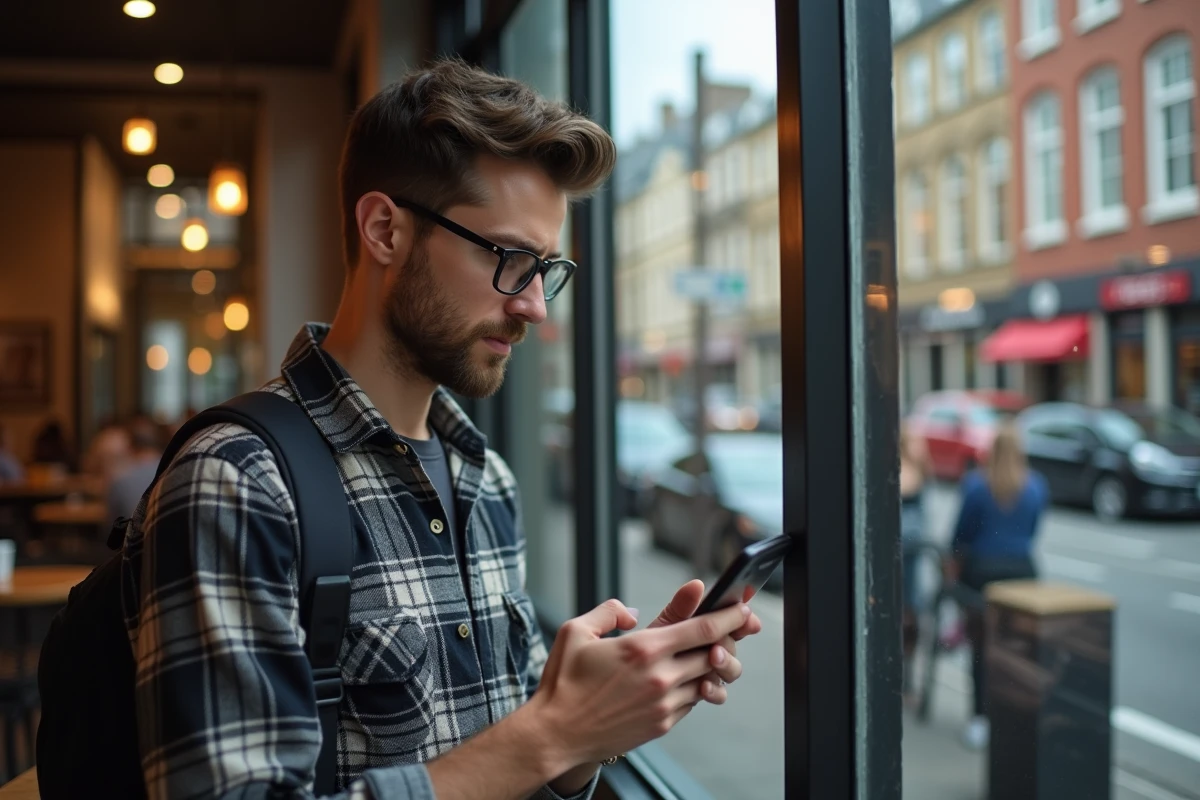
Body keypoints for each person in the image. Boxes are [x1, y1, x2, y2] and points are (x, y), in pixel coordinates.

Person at [121, 58, 764, 800]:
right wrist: (553, 730)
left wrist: (596, 728)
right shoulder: (238, 480)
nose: (535, 307)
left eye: (545, 269)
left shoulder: (486, 480)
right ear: (384, 230)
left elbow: (508, 765)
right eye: (511, 259)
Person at [946, 423, 1048, 750]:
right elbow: (1032, 531)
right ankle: (1015, 714)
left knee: (981, 648)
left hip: (983, 572)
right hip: (1023, 571)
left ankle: (980, 719)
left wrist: (953, 572)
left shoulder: (977, 485)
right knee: (1017, 649)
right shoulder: (1035, 486)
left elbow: (961, 535)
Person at [898, 421, 932, 675]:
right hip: (900, 551)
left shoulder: (919, 469)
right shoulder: (902, 471)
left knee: (912, 611)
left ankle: (907, 673)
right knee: (904, 609)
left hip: (912, 552)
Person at [105, 416, 162, 523]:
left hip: (130, 537)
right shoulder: (171, 471)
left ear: (130, 445)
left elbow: (110, 529)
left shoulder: (120, 481)